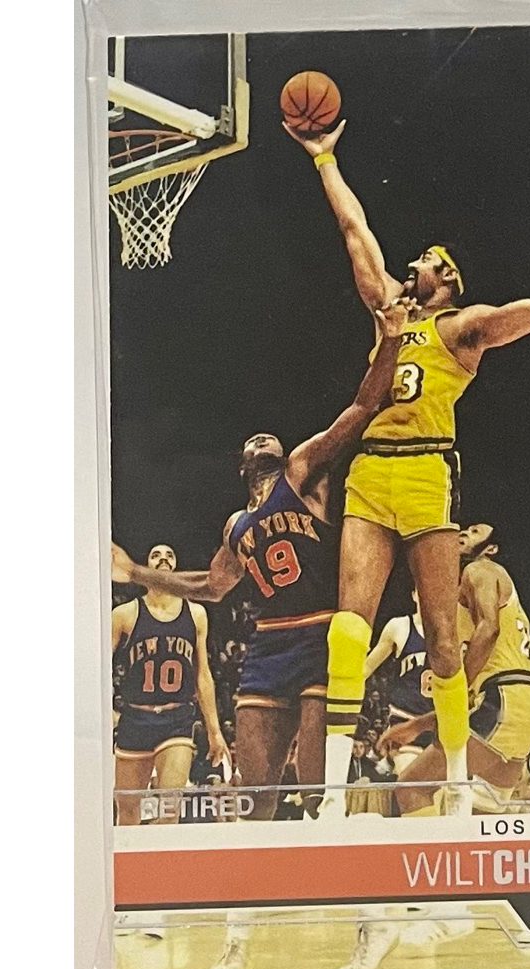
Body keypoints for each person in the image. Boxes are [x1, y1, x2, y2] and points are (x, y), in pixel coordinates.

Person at [285, 119, 530, 817]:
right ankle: (329, 795)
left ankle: (454, 781)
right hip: (372, 472)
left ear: (448, 281)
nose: (417, 264)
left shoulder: (462, 328)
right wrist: (325, 158)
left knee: (446, 643)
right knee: (347, 631)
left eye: (430, 261)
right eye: (419, 258)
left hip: (426, 474)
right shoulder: (388, 311)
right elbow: (355, 230)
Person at [111, 298, 412, 824]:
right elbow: (211, 586)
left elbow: (362, 407)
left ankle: (327, 865)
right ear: (243, 467)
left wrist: (390, 340)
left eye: (270, 436)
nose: (263, 436)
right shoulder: (236, 524)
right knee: (256, 796)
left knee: (316, 790)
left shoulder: (302, 472)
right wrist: (135, 573)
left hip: (319, 632)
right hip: (268, 642)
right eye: (253, 440)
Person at [378, 524, 530, 816]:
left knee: (411, 788)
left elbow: (489, 628)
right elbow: (466, 703)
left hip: (504, 698)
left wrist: (457, 687)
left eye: (476, 532)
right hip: (528, 702)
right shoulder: (469, 592)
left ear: (490, 548)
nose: (465, 532)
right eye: (466, 529)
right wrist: (415, 726)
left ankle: (434, 849)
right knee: (485, 811)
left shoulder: (481, 569)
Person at [112, 544, 229, 825]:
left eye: (169, 555)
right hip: (135, 718)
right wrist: (108, 711)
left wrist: (214, 730)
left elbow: (203, 675)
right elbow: (98, 665)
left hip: (177, 718)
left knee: (170, 810)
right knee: (127, 814)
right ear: (147, 566)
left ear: (175, 566)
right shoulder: (124, 614)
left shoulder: (196, 614)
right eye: (155, 555)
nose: (163, 558)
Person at [362, 590, 434, 776]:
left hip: (440, 721)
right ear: (414, 595)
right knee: (414, 780)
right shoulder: (400, 626)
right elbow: (366, 668)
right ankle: (389, 761)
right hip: (405, 719)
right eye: (422, 590)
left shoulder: (457, 627)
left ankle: (387, 765)